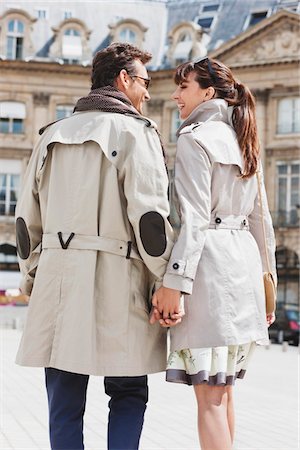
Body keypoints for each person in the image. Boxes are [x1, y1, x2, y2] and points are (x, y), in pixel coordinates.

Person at [15, 42, 180, 450]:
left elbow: (24, 222)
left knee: (63, 397)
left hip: (58, 281)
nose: (147, 92)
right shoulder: (136, 132)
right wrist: (166, 279)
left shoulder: (51, 135)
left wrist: (33, 275)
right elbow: (151, 220)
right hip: (118, 281)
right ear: (123, 79)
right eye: (144, 81)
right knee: (127, 392)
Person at [151, 57, 277, 450]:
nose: (175, 95)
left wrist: (174, 283)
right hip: (244, 275)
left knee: (208, 398)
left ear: (207, 92)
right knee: (223, 394)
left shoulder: (195, 138)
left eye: (183, 87)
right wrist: (267, 286)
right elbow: (262, 222)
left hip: (209, 275)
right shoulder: (244, 137)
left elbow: (193, 222)